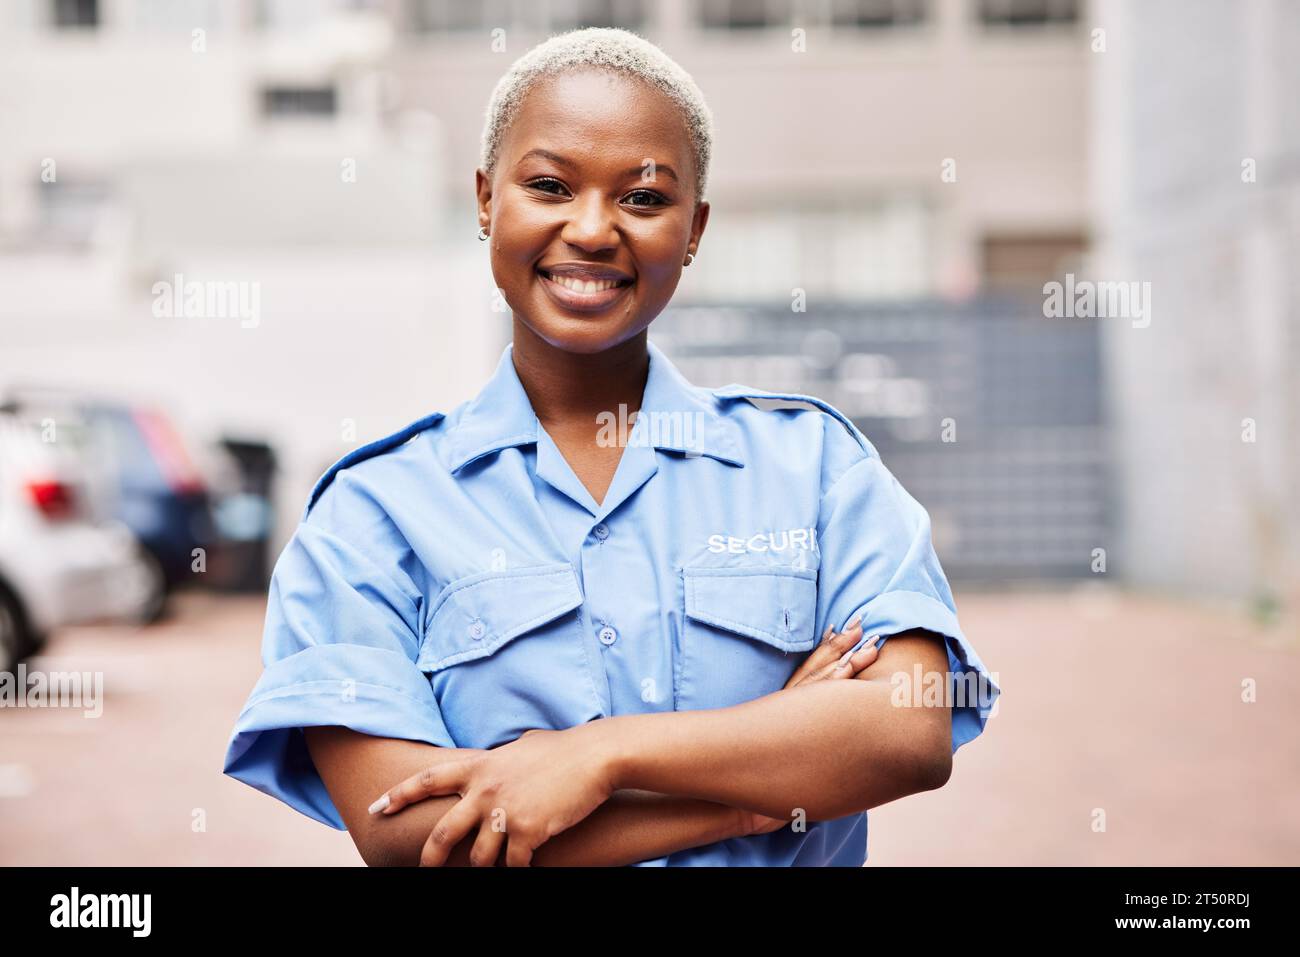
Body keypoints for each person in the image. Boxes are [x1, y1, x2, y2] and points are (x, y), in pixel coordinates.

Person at [222, 26, 999, 867]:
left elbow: (910, 728)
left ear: (694, 228)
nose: (592, 229)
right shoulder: (371, 515)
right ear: (486, 199)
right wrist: (752, 793)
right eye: (550, 184)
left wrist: (599, 754)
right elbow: (416, 840)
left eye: (643, 198)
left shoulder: (814, 468)